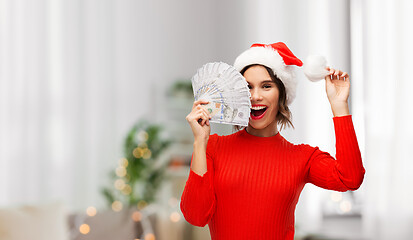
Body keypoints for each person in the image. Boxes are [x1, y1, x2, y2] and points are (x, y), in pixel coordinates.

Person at [180, 42, 365, 240]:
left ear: (282, 95)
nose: (255, 96)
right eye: (247, 87)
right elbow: (196, 216)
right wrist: (200, 142)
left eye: (266, 86)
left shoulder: (302, 157)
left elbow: (350, 178)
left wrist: (339, 107)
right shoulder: (213, 147)